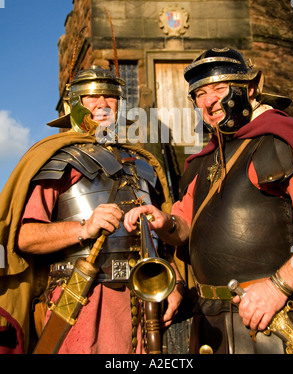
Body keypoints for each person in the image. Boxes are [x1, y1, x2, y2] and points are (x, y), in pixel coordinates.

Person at [124, 47, 293, 354]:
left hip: (275, 320)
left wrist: (279, 286)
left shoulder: (281, 141)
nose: (208, 101)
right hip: (209, 326)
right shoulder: (200, 162)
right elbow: (185, 227)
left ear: (250, 88)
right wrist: (165, 222)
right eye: (200, 93)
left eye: (219, 88)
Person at [0, 65, 184, 354]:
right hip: (82, 300)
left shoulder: (143, 165)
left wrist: (175, 283)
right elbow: (23, 237)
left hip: (145, 300)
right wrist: (83, 228)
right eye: (92, 96)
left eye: (109, 97)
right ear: (75, 105)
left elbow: (164, 240)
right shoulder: (58, 161)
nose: (102, 104)